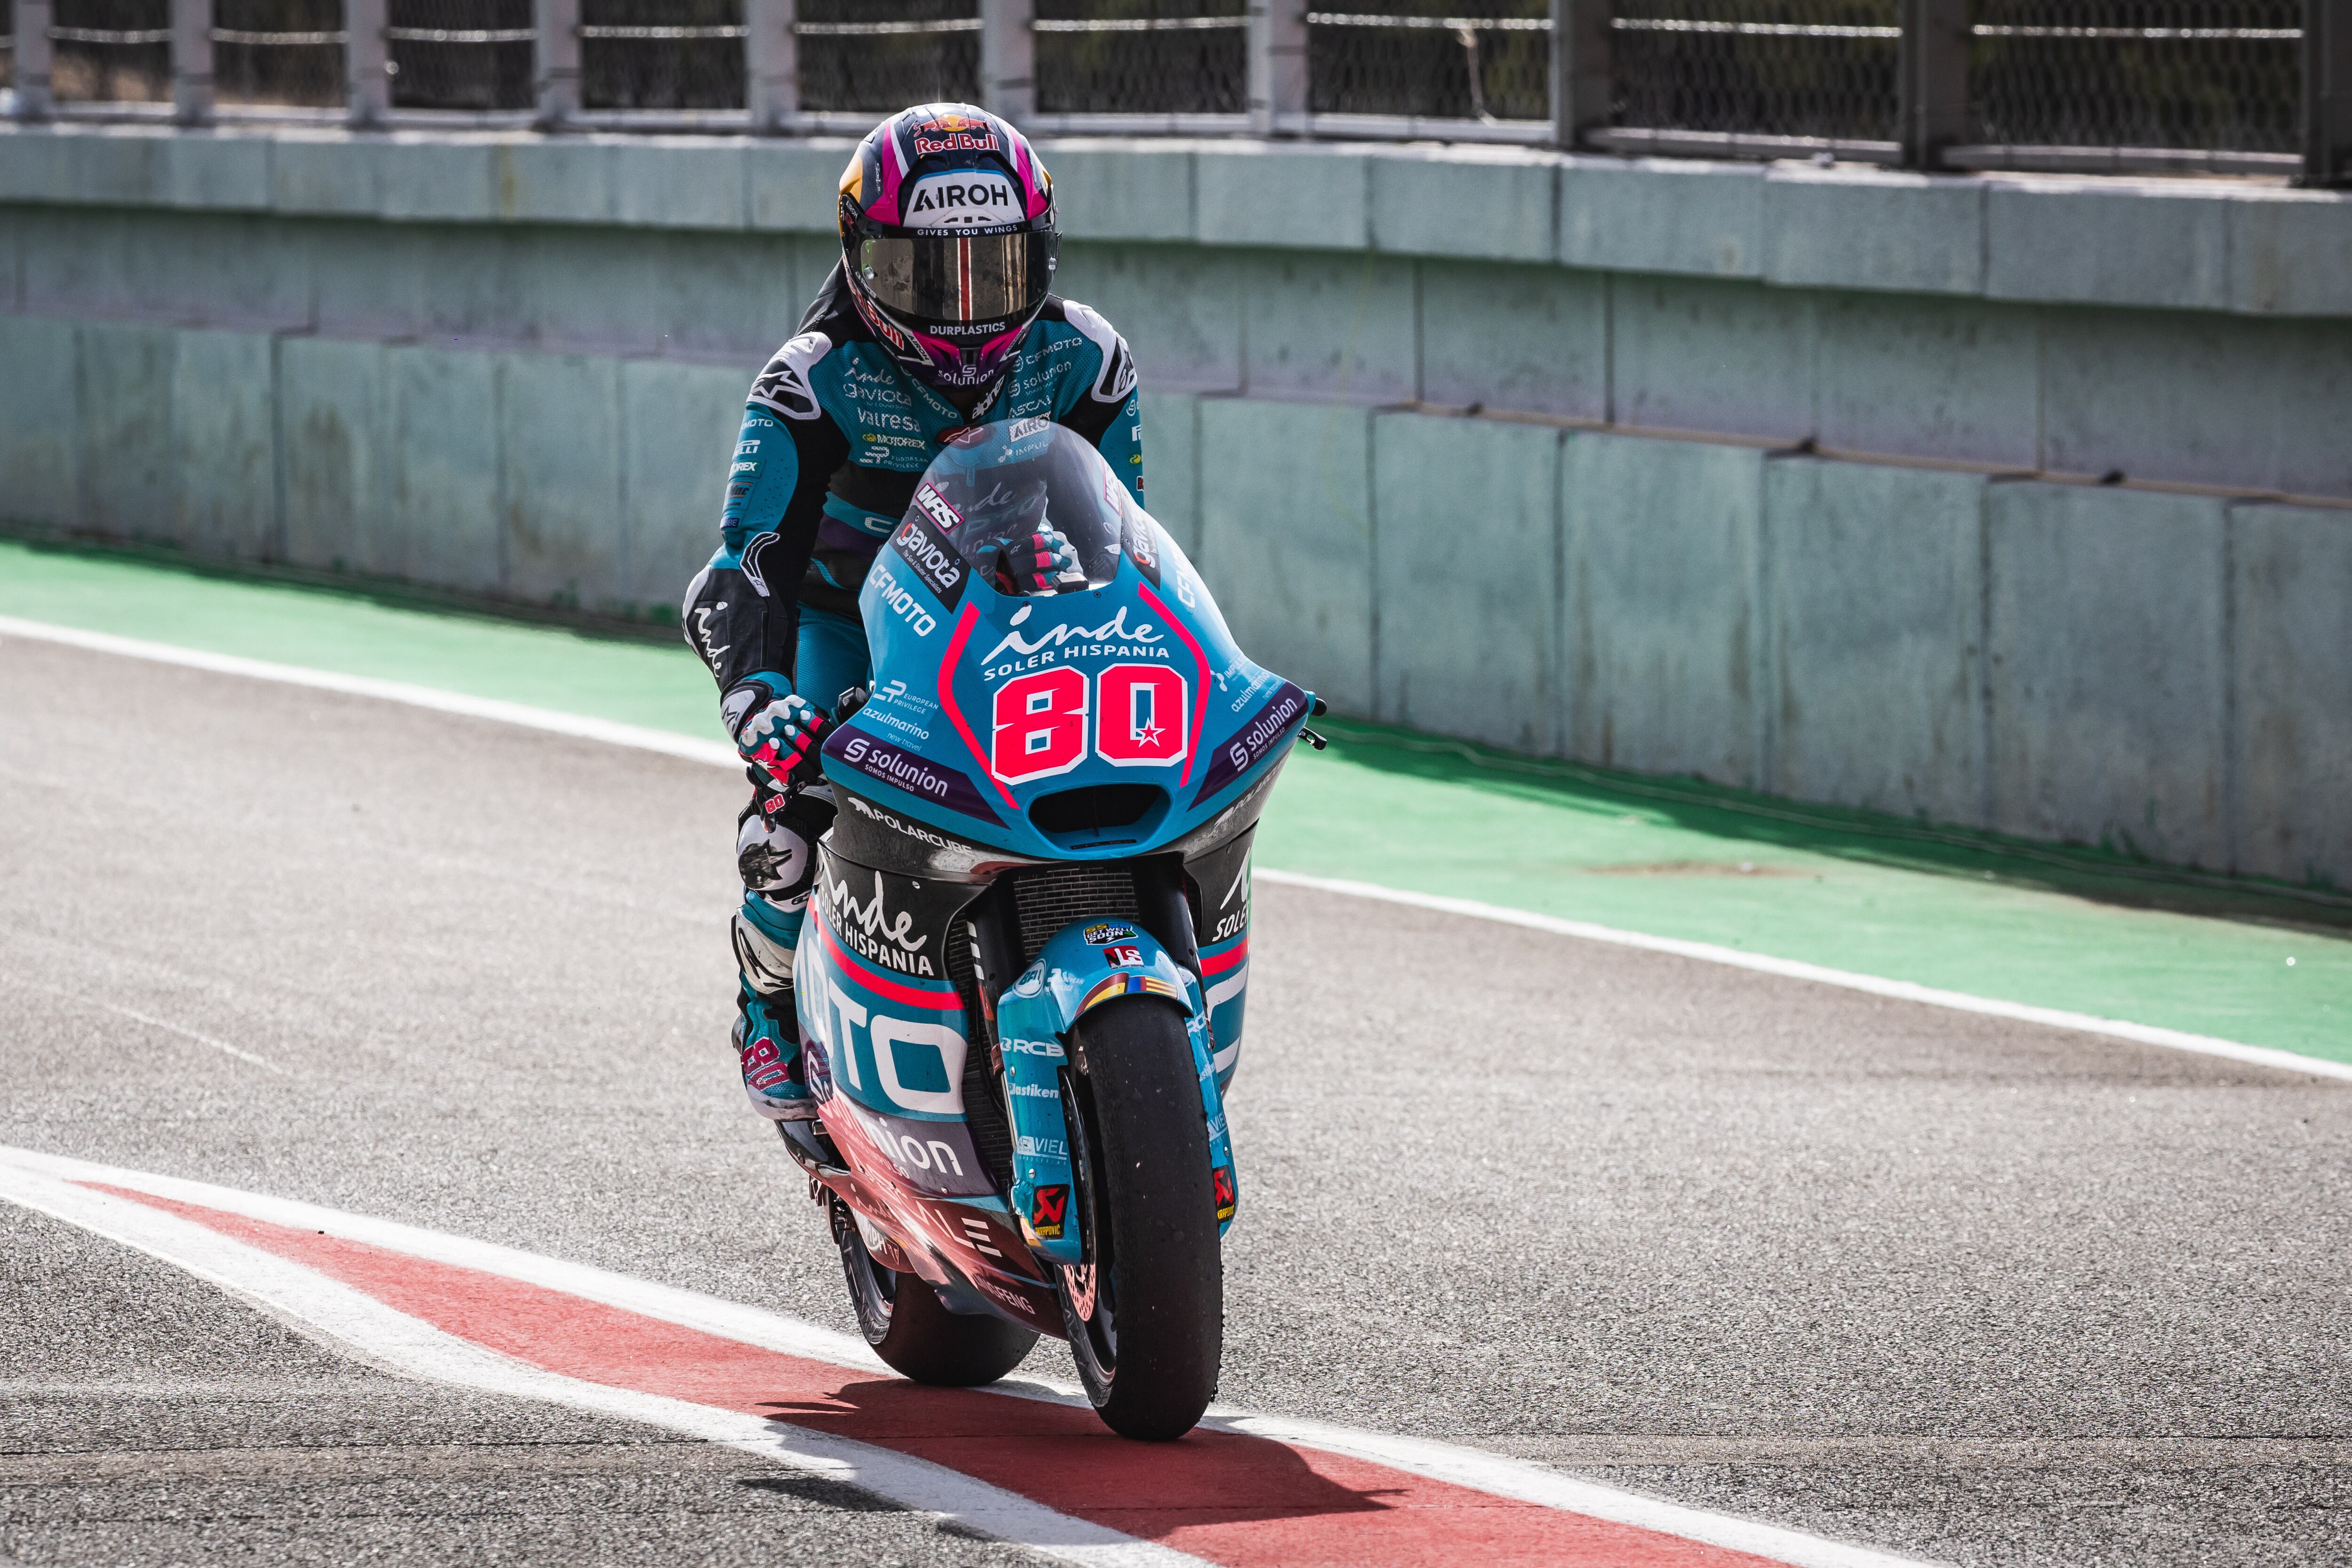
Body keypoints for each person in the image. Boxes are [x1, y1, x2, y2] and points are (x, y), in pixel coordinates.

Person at [680, 103, 1145, 1124]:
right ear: (860, 260)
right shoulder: (809, 378)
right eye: (924, 275)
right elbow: (745, 564)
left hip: (1012, 616)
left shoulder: (1089, 361)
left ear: (1046, 255)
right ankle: (765, 1000)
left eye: (997, 271)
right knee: (793, 820)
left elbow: (1131, 544)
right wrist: (759, 697)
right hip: (845, 623)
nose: (964, 311)